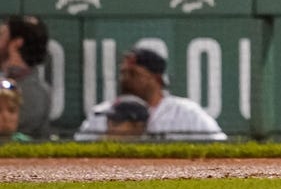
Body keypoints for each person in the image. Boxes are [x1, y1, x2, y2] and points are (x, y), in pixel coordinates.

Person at [75, 47, 227, 140]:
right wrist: (107, 141)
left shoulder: (184, 112)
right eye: (123, 74)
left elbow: (221, 145)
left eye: (134, 74)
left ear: (156, 79)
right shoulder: (102, 112)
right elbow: (75, 153)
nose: (125, 80)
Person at [0, 15, 50, 139]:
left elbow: (7, 135)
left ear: (16, 43)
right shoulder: (9, 79)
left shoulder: (32, 93)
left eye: (2, 35)